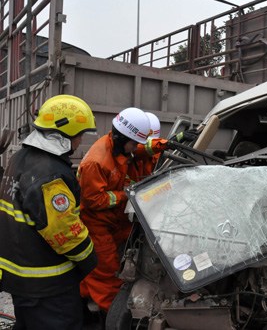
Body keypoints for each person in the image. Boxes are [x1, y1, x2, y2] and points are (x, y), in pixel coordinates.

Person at [0, 95, 98, 329]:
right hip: (48, 285)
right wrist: (91, 260)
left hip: (19, 278)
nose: (80, 140)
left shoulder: (18, 158)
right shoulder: (50, 174)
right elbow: (64, 232)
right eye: (80, 134)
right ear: (67, 133)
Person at [77, 107, 185, 313]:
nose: (136, 148)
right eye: (134, 143)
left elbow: (143, 149)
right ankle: (111, 316)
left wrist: (169, 142)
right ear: (121, 138)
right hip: (97, 227)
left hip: (114, 222)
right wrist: (127, 194)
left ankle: (83, 305)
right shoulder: (96, 163)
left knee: (117, 263)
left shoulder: (120, 147)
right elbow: (94, 200)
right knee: (105, 273)